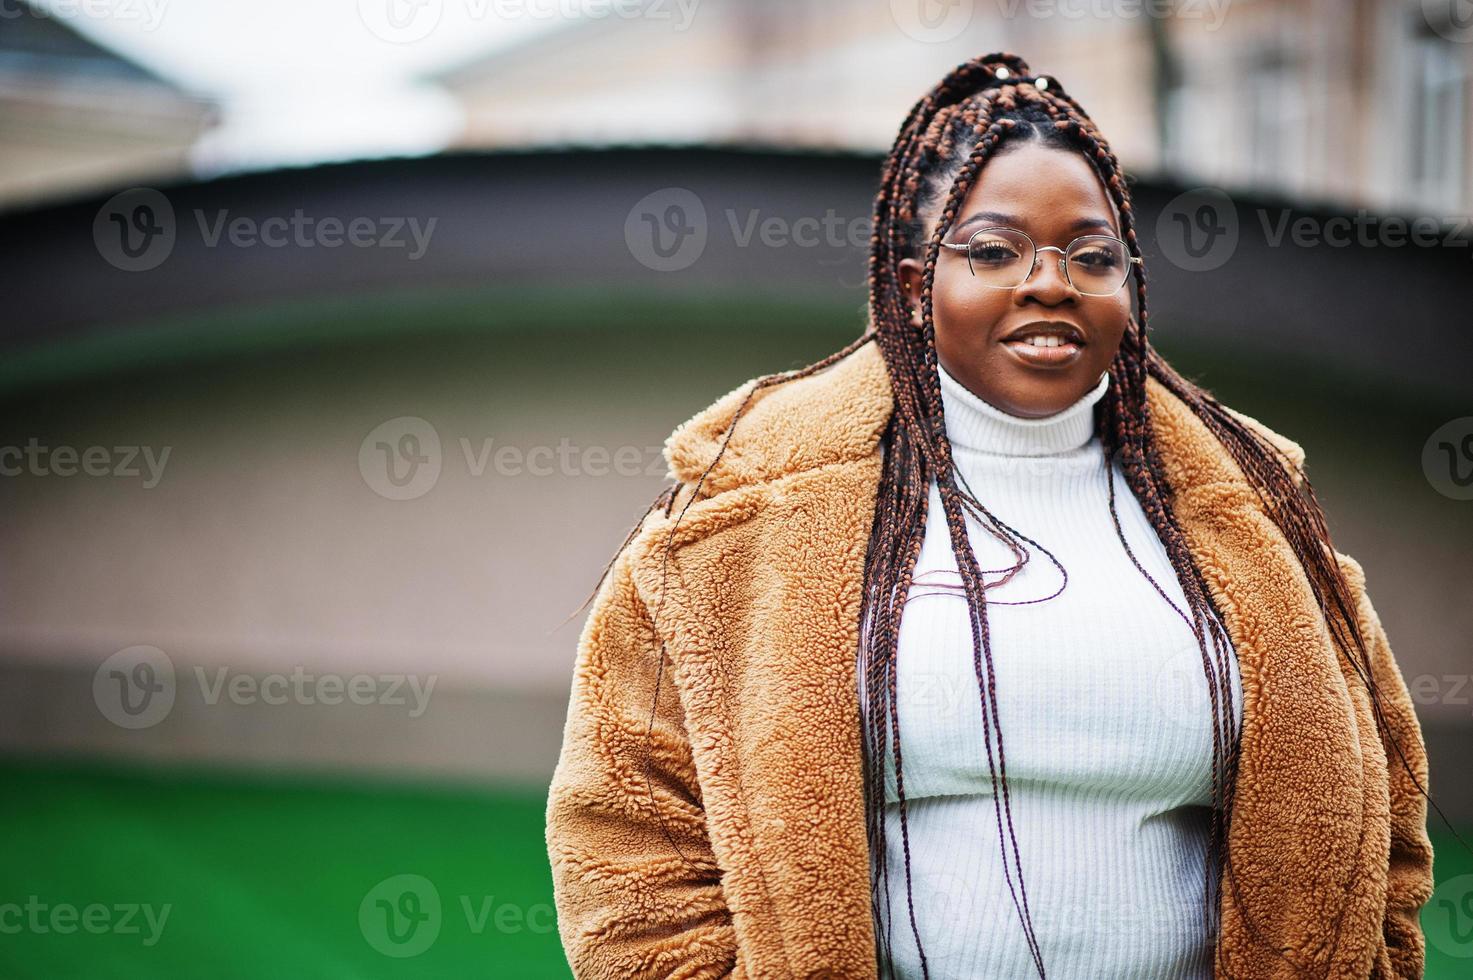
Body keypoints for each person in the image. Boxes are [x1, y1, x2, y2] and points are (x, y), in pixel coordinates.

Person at [545, 52, 1436, 979]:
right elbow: (628, 837)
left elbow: (1384, 834)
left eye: (1091, 256)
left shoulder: (1251, 514)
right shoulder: (747, 510)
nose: (1049, 283)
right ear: (910, 283)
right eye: (994, 250)